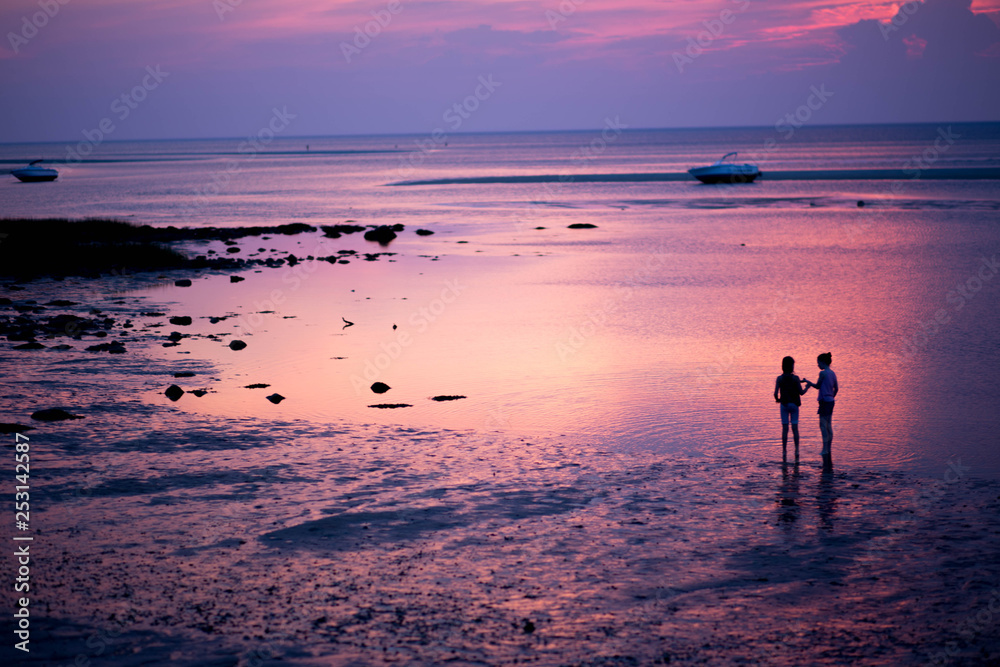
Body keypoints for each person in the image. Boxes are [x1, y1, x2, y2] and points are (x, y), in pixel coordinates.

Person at [802, 352, 838, 461]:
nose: (818, 365)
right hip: (831, 401)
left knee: (823, 426)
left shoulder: (822, 373)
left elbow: (817, 386)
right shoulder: (833, 373)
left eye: (818, 363)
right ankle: (828, 449)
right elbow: (836, 388)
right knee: (829, 425)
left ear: (823, 362)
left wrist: (808, 382)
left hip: (824, 402)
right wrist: (831, 397)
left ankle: (824, 449)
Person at [773, 356, 806, 460]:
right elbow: (801, 393)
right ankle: (796, 451)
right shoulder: (795, 378)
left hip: (784, 405)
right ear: (792, 366)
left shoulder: (779, 378)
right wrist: (807, 386)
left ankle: (784, 451)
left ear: (782, 366)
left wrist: (778, 400)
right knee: (795, 429)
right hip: (794, 405)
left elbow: (775, 394)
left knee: (785, 429)